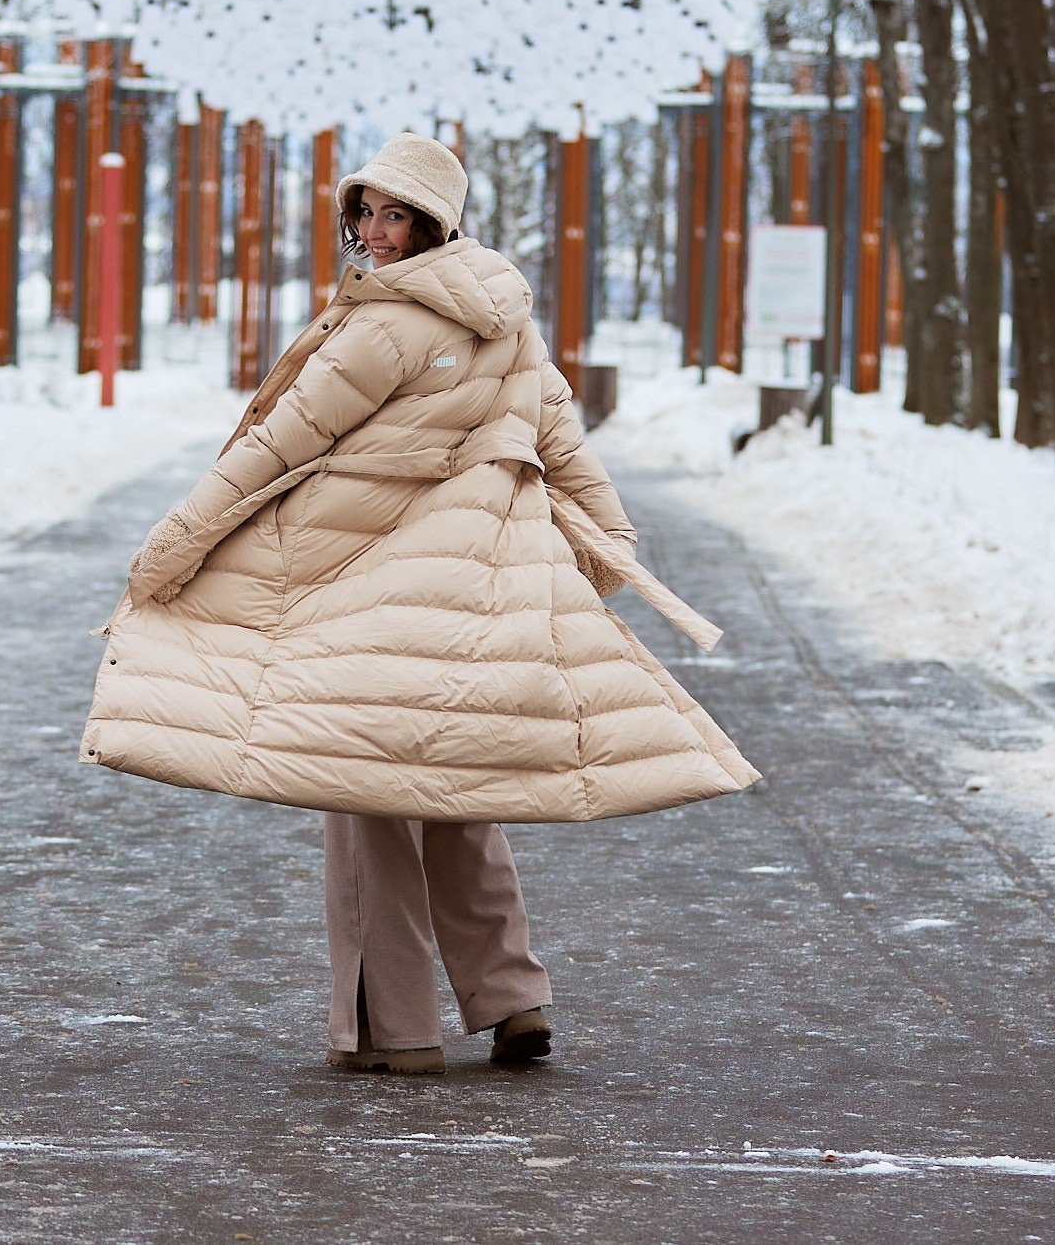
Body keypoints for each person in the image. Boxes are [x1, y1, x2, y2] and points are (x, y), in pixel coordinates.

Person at [81, 131, 757, 1073]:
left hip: (364, 590)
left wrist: (172, 546)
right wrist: (600, 556)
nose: (376, 232)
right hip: (471, 595)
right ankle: (513, 994)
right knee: (453, 784)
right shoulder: (505, 318)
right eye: (365, 211)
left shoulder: (383, 326)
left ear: (436, 223)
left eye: (395, 214)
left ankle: (395, 1032)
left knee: (361, 792)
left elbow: (277, 444)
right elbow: (565, 444)